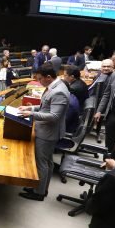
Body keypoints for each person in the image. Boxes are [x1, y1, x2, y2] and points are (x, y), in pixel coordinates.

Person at [17, 64, 70, 201]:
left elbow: (54, 116)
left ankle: (38, 193)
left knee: (41, 163)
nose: (38, 81)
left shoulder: (59, 91)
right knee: (47, 162)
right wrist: (30, 108)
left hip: (47, 133)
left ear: (48, 77)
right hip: (46, 130)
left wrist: (31, 114)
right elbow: (45, 107)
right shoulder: (55, 86)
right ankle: (42, 188)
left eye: (40, 79)